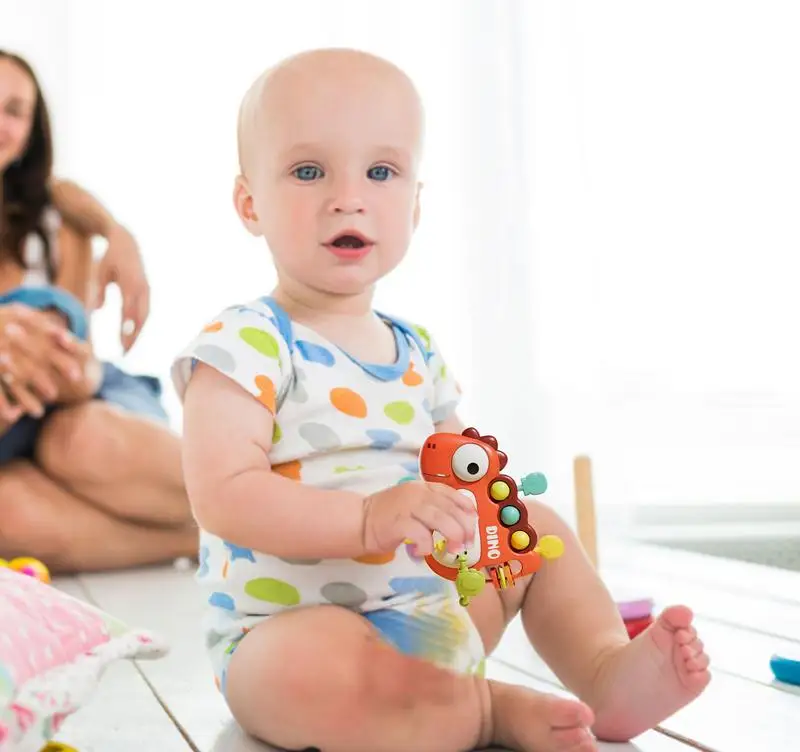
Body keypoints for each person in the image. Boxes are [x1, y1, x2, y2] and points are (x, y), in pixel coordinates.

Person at [172, 49, 710, 752]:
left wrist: (483, 516)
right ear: (251, 204)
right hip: (290, 634)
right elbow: (224, 495)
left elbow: (464, 482)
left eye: (381, 172)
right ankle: (485, 709)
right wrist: (366, 519)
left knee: (534, 531)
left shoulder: (417, 351)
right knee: (317, 662)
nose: (348, 197)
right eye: (309, 172)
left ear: (415, 205)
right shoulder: (246, 341)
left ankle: (605, 669)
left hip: (434, 614)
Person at [0, 49, 196, 572]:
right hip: (14, 443)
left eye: (14, 110)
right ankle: (202, 541)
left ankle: (299, 504)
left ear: (31, 132)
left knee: (79, 440)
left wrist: (114, 232)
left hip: (78, 398)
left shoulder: (57, 217)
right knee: (6, 512)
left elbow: (77, 367)